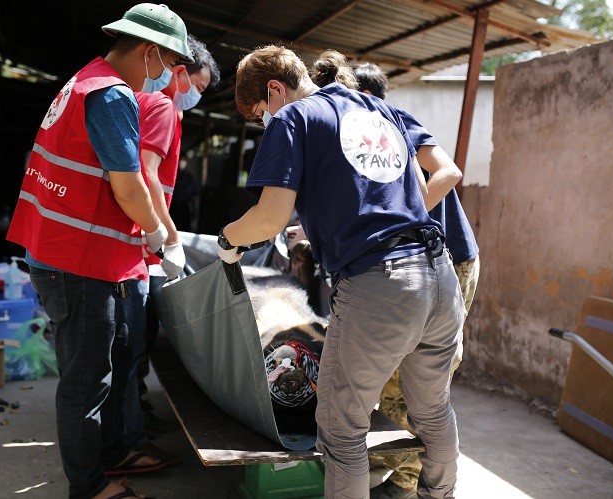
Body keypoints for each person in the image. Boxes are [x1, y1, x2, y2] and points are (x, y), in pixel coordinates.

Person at [221, 45, 465, 499]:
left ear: (276, 89)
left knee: (340, 425)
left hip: (380, 283)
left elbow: (271, 217)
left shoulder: (295, 119)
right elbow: (428, 181)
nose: (265, 123)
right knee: (432, 411)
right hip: (438, 273)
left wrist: (228, 239)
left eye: (261, 114)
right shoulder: (382, 110)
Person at [6, 4, 192, 498]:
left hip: (71, 253)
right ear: (149, 52)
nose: (167, 78)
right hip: (77, 260)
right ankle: (88, 487)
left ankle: (105, 460)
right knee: (86, 383)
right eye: (168, 62)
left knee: (96, 373)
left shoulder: (86, 81)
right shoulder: (111, 95)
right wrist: (158, 235)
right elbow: (128, 186)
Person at [351, 61, 480, 499]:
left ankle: (409, 482)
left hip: (450, 262)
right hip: (413, 264)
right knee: (393, 378)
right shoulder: (356, 138)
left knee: (416, 381)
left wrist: (400, 223)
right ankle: (403, 471)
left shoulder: (392, 125)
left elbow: (449, 172)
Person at [122, 33, 220, 463]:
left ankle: (134, 420)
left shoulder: (148, 104)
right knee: (132, 345)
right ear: (178, 71)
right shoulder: (161, 106)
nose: (195, 96)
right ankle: (130, 437)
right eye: (196, 86)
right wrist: (171, 237)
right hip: (139, 244)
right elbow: (148, 179)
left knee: (132, 346)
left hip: (137, 239)